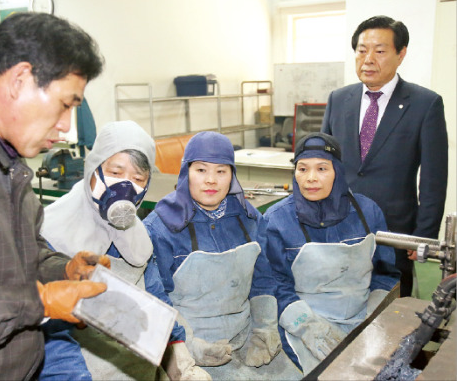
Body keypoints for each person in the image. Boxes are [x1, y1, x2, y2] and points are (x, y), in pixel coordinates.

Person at [0, 12, 109, 380]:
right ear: (20, 79)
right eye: (65, 104)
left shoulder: (8, 160)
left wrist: (64, 269)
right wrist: (39, 302)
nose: (66, 125)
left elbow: (22, 255)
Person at [40, 121, 211, 381]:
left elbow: (155, 300)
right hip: (82, 370)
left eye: (138, 179)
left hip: (138, 370)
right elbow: (52, 339)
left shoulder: (137, 235)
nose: (125, 187)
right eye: (116, 172)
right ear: (92, 169)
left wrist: (179, 357)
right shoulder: (51, 233)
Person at [143, 131, 302, 380]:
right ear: (186, 172)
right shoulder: (160, 227)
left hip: (247, 340)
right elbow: (155, 299)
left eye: (221, 171)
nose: (211, 181)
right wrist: (187, 344)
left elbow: (263, 279)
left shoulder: (249, 219)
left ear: (232, 176)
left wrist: (264, 327)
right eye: (201, 170)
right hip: (188, 349)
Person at [321, 15, 448, 297]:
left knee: (392, 307)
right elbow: (323, 163)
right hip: (339, 224)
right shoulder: (338, 99)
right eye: (361, 50)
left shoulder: (425, 104)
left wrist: (422, 236)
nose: (368, 59)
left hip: (395, 232)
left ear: (401, 54)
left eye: (379, 51)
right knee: (337, 299)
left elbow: (433, 180)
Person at [263, 132, 400, 375]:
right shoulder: (276, 220)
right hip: (304, 325)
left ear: (337, 170)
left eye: (322, 168)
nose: (310, 179)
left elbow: (386, 272)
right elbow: (274, 284)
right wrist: (307, 327)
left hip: (362, 318)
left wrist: (374, 319)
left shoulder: (368, 212)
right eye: (302, 169)